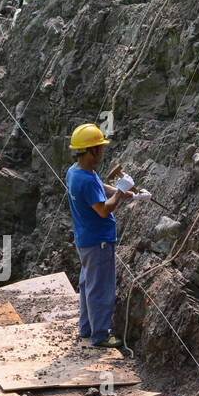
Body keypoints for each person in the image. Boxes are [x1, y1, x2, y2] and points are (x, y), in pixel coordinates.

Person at [65, 123, 135, 348]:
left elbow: (98, 187)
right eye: (100, 148)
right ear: (91, 151)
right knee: (101, 289)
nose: (103, 152)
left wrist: (122, 192)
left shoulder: (76, 172)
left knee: (87, 284)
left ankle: (87, 328)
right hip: (99, 242)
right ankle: (101, 335)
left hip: (85, 239)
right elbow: (104, 209)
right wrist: (121, 192)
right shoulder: (84, 179)